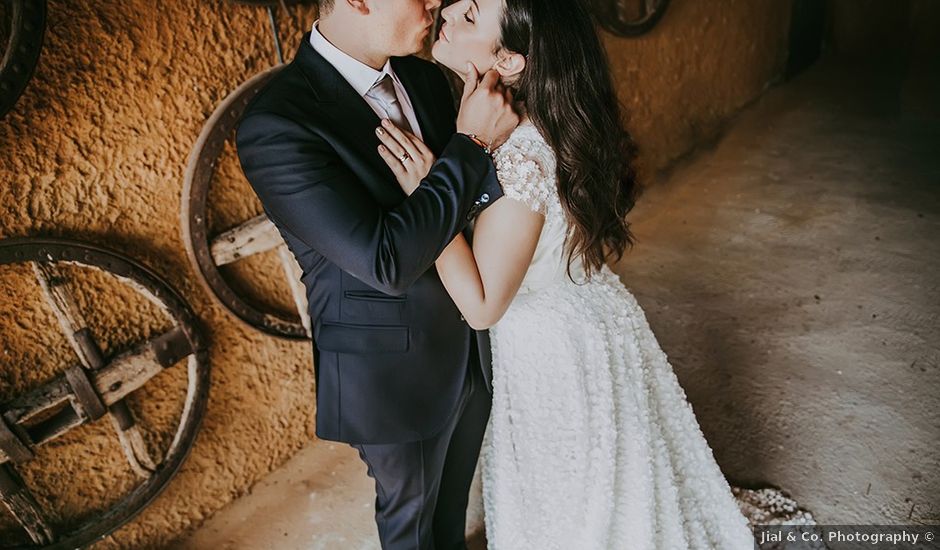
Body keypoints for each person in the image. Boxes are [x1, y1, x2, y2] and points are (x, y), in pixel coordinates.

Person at [373, 0, 757, 548]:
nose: (449, 11)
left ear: (507, 61)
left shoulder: (519, 158)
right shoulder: (528, 120)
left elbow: (482, 305)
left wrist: (426, 196)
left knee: (569, 504)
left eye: (469, 15)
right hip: (583, 309)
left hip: (549, 348)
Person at [235, 0, 520, 547]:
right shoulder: (278, 123)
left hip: (471, 343)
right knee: (411, 524)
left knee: (451, 508)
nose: (436, 1)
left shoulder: (424, 77)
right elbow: (384, 262)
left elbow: (466, 207)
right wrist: (471, 145)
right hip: (392, 367)